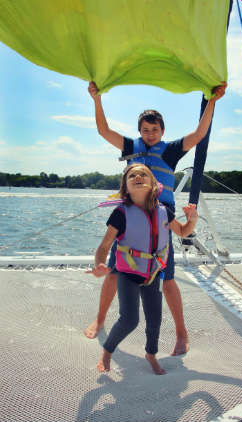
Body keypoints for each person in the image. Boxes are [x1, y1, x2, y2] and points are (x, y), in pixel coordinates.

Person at [85, 80, 227, 355]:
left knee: (168, 279)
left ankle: (182, 333)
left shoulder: (171, 150)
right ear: (140, 132)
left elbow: (199, 134)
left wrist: (212, 101)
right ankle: (101, 318)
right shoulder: (130, 146)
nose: (150, 134)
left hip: (161, 218)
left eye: (155, 130)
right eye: (145, 130)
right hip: (131, 217)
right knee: (114, 271)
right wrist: (96, 99)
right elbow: (103, 130)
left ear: (162, 131)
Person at [86, 163, 198, 374]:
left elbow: (183, 231)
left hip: (154, 273)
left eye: (143, 174)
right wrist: (100, 264)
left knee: (155, 318)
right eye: (132, 176)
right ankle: (107, 350)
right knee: (130, 319)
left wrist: (192, 219)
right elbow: (104, 246)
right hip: (128, 274)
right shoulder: (121, 213)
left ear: (154, 184)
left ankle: (151, 354)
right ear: (125, 188)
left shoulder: (165, 211)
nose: (137, 177)